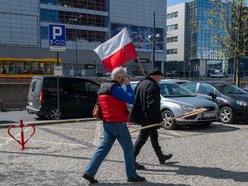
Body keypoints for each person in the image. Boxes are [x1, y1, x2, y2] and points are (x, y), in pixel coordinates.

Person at [83, 66, 146, 184]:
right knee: (129, 149)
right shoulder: (115, 88)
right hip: (118, 123)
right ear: (119, 77)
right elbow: (131, 100)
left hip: (107, 122)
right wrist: (128, 86)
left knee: (103, 149)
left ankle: (89, 172)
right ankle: (131, 175)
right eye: (124, 77)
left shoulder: (102, 87)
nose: (125, 79)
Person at [130, 69, 173, 170]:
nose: (160, 80)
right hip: (148, 117)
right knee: (142, 138)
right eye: (160, 78)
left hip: (142, 115)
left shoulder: (141, 83)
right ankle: (131, 160)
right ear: (156, 76)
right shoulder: (153, 86)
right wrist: (159, 120)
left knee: (154, 135)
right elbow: (152, 105)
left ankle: (161, 156)